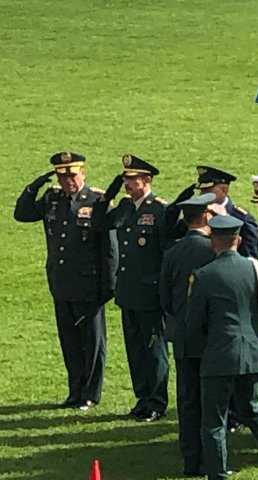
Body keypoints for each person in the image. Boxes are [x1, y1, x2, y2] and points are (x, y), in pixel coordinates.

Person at [185, 215, 258, 480]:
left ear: (212, 242)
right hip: (252, 353)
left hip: (217, 356)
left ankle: (218, 475)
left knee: (214, 422)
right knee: (254, 412)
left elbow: (193, 323)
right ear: (238, 240)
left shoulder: (203, 276)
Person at [13, 152, 116, 410]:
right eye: (61, 175)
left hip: (89, 285)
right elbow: (22, 214)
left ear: (83, 173)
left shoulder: (96, 201)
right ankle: (75, 391)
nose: (67, 180)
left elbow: (109, 249)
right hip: (61, 283)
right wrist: (34, 186)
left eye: (71, 174)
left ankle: (90, 394)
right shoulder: (52, 199)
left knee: (92, 343)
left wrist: (108, 287)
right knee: (69, 342)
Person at [92, 154, 169, 422]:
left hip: (150, 295)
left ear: (146, 181)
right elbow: (99, 223)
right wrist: (108, 194)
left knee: (154, 351)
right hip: (128, 293)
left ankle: (157, 402)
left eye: (131, 179)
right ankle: (142, 398)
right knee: (135, 351)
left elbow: (165, 254)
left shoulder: (159, 210)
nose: (127, 184)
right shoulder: (125, 207)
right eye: (125, 179)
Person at [159, 193, 217, 477]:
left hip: (183, 336)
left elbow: (165, 299)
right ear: (206, 216)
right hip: (211, 338)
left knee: (187, 400)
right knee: (212, 402)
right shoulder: (213, 250)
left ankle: (190, 459)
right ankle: (211, 457)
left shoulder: (173, 252)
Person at [196, 165, 258, 258]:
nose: (202, 195)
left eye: (207, 190)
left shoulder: (242, 219)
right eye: (201, 190)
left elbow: (250, 258)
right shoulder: (197, 214)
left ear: (224, 190)